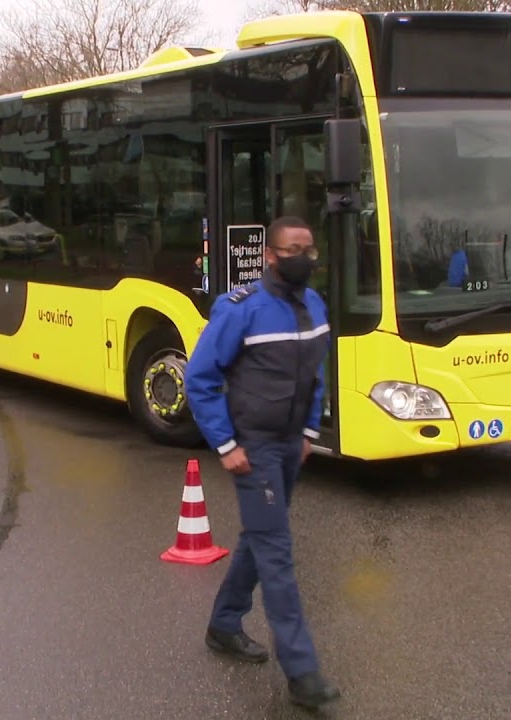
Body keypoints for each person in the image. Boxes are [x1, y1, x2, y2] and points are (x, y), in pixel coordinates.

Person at [183, 216, 341, 711]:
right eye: (294, 249)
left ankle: (223, 623)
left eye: (310, 249)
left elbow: (315, 374)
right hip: (254, 448)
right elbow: (199, 379)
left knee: (261, 535)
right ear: (270, 256)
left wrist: (310, 431)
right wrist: (226, 444)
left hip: (291, 444)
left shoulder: (314, 305)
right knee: (277, 553)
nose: (305, 257)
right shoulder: (242, 310)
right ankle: (302, 673)